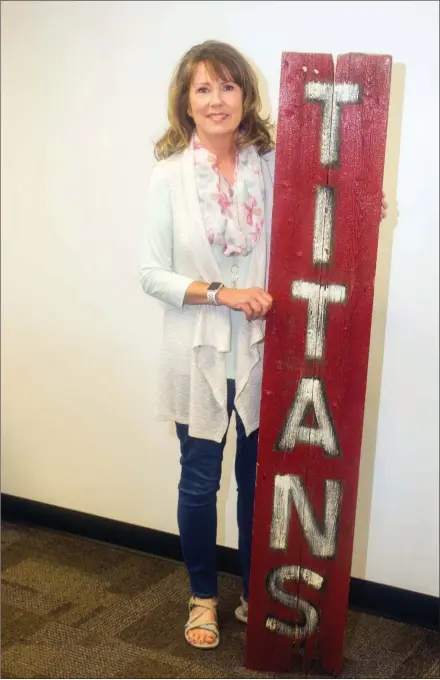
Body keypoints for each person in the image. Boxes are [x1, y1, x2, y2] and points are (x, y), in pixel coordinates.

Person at [140, 40, 388, 650]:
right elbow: (152, 273)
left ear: (245, 96)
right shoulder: (169, 176)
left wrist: (362, 207)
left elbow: (317, 216)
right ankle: (202, 597)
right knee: (199, 481)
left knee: (260, 482)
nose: (216, 99)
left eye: (227, 86)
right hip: (198, 353)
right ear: (186, 103)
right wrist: (223, 293)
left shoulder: (276, 164)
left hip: (264, 352)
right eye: (203, 89)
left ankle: (256, 589)